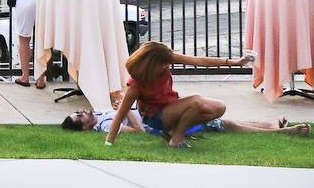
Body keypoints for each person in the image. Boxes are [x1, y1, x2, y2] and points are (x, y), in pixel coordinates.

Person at [105, 41, 251, 147]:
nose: (168, 65)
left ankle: (174, 130)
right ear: (153, 64)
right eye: (165, 64)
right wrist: (109, 143)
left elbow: (200, 61)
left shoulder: (164, 60)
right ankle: (177, 139)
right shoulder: (136, 85)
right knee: (196, 101)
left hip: (171, 107)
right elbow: (120, 114)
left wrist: (234, 62)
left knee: (219, 108)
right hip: (156, 117)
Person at [64, 107, 308, 136]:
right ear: (85, 126)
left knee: (222, 121)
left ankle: (270, 124)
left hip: (161, 112)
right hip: (160, 123)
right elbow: (138, 132)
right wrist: (125, 111)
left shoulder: (101, 112)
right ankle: (279, 132)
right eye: (80, 116)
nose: (82, 112)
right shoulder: (106, 125)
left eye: (78, 111)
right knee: (224, 124)